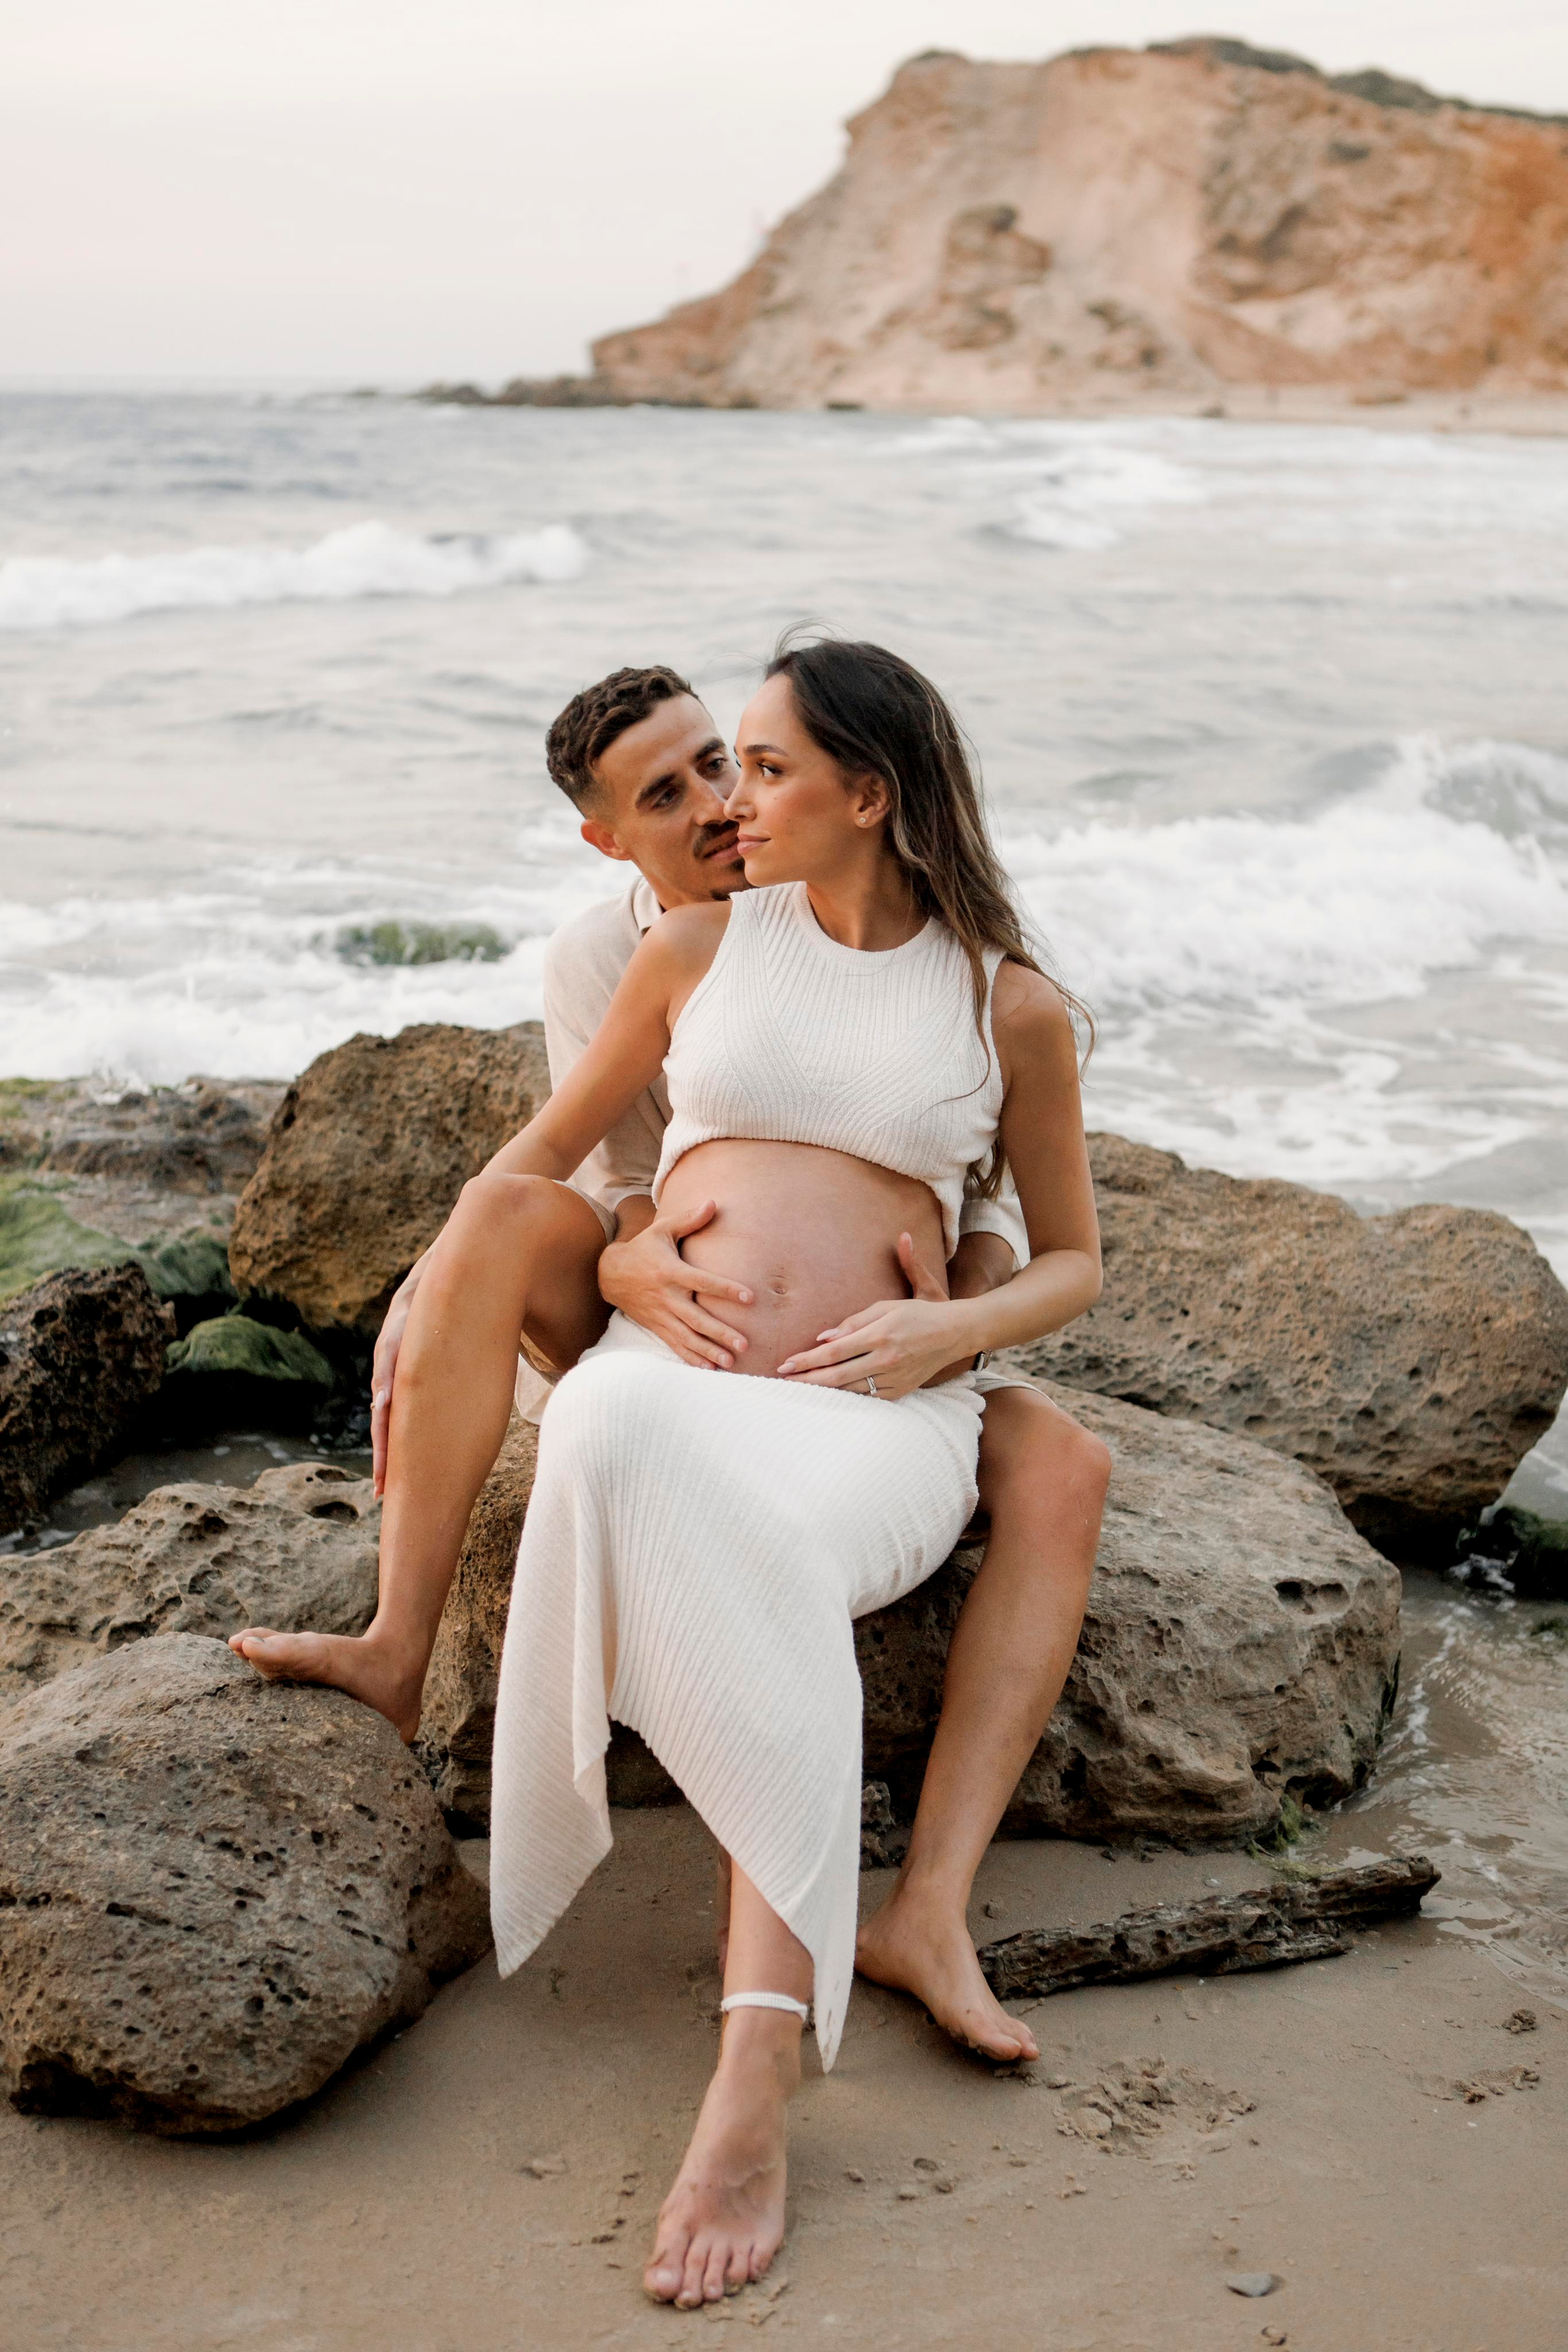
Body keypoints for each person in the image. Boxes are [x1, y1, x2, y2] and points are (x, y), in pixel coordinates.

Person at [232, 639, 1109, 2303]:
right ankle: (775, 1993)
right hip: (674, 1376)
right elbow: (554, 1156)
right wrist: (537, 1275)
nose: (730, 803)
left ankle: (754, 2057)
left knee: (756, 1532)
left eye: (760, 768)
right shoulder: (689, 949)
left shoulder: (1012, 1001)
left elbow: (1074, 1258)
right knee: (616, 1424)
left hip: (874, 1413)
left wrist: (957, 1331)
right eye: (716, 772)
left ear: (872, 792)